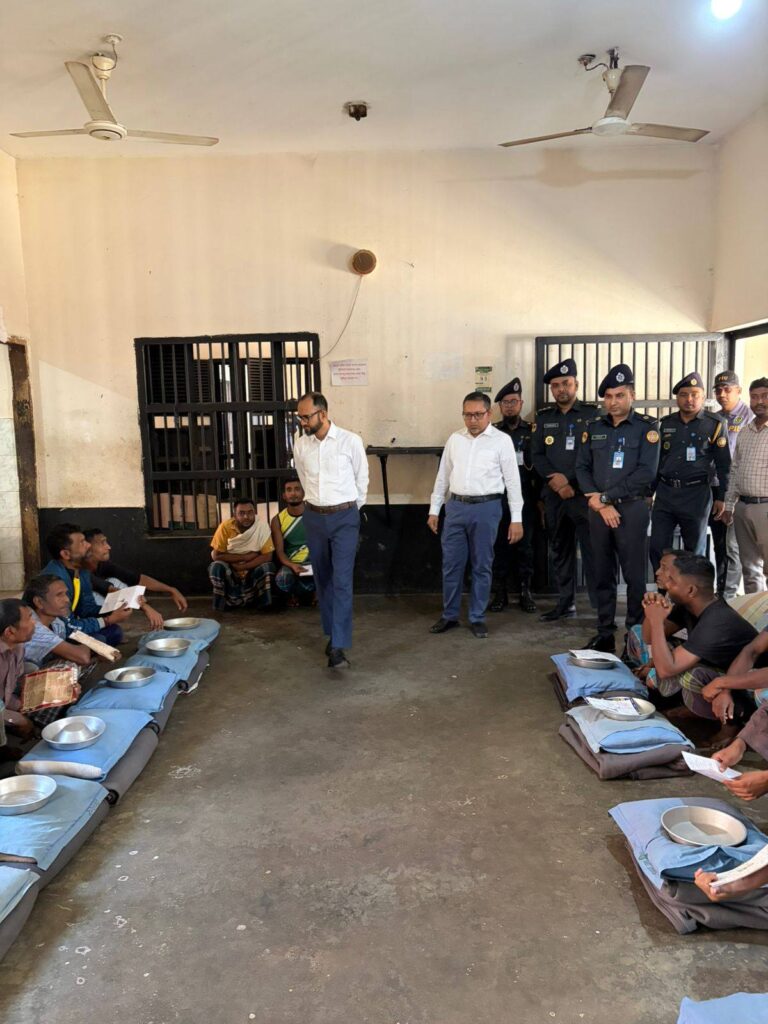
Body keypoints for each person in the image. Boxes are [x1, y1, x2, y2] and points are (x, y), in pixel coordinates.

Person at [576, 364, 660, 654]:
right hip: (599, 512)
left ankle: (633, 637)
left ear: (632, 395)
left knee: (635, 576)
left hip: (631, 510)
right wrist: (600, 503)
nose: (613, 402)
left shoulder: (647, 429)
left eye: (619, 395)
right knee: (602, 573)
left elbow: (646, 473)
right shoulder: (593, 428)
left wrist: (605, 498)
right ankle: (605, 633)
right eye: (608, 396)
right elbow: (581, 468)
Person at [630, 553, 759, 736]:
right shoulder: (689, 605)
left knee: (689, 675)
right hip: (716, 670)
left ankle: (732, 723)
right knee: (640, 633)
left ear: (691, 590)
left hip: (743, 688)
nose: (659, 574)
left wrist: (656, 621)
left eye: (668, 574)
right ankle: (691, 705)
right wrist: (653, 608)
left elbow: (666, 670)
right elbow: (648, 638)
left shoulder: (717, 621)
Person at [428, 391, 523, 639]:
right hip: (456, 507)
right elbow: (443, 477)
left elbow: (513, 482)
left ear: (489, 414)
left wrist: (516, 518)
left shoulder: (502, 441)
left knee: (482, 565)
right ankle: (449, 615)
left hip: (487, 508)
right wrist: (434, 509)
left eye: (478, 415)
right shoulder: (455, 439)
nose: (472, 420)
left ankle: (477, 617)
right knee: (451, 564)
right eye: (467, 415)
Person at [293, 392, 368, 669]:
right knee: (322, 578)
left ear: (322, 414)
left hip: (345, 517)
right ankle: (332, 632)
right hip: (314, 517)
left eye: (306, 417)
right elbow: (303, 478)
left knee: (342, 580)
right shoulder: (301, 445)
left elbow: (362, 478)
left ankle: (338, 645)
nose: (302, 422)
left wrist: (351, 510)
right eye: (300, 417)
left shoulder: (350, 441)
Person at [531, 357, 598, 622]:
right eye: (556, 385)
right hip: (555, 497)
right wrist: (555, 481)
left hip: (584, 496)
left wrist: (570, 482)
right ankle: (565, 603)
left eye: (566, 383)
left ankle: (600, 607)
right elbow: (537, 455)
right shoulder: (543, 418)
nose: (561, 389)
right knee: (560, 550)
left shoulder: (593, 415)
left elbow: (596, 456)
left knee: (594, 551)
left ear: (576, 384)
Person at [649, 371, 730, 571]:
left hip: (697, 495)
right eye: (684, 395)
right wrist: (648, 493)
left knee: (694, 552)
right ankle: (664, 588)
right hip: (666, 494)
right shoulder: (666, 423)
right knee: (658, 547)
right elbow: (656, 462)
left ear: (703, 397)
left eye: (695, 394)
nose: (689, 399)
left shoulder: (715, 424)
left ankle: (692, 591)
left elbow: (724, 464)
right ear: (677, 398)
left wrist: (722, 497)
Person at [488, 378, 538, 614]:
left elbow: (538, 466)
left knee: (525, 547)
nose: (509, 406)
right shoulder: (492, 433)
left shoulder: (531, 432)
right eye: (505, 402)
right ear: (500, 406)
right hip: (498, 498)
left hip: (525, 498)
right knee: (499, 546)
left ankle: (526, 592)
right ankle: (500, 593)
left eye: (514, 401)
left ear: (521, 403)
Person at [41, 523, 131, 644]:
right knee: (100, 639)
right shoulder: (55, 581)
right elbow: (67, 628)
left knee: (114, 631)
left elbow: (86, 609)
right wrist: (108, 620)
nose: (88, 545)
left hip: (69, 627)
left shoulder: (81, 571)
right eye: (82, 543)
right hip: (55, 635)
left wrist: (115, 608)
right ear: (66, 554)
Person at [82, 528, 188, 629]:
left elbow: (138, 579)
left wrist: (171, 589)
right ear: (87, 547)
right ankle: (95, 625)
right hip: (80, 616)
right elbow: (108, 589)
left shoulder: (102, 564)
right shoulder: (80, 569)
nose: (108, 547)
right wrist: (145, 607)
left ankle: (106, 624)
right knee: (111, 588)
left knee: (118, 584)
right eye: (102, 543)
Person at [709, 370, 754, 597]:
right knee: (720, 544)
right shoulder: (715, 419)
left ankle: (732, 597)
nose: (722, 394)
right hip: (715, 488)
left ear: (739, 391)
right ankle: (722, 592)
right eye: (718, 390)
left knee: (735, 547)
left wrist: (731, 497)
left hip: (738, 491)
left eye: (727, 390)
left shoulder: (750, 418)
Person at [721, 377, 768, 593]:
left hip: (765, 507)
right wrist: (729, 505)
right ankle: (756, 613)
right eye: (755, 397)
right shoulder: (745, 432)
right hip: (742, 507)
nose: (759, 401)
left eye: (765, 396)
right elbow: (735, 470)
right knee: (749, 568)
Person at [208, 497, 276, 611]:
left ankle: (263, 603)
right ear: (235, 515)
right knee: (216, 566)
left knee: (268, 567)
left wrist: (243, 566)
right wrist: (245, 557)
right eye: (241, 513)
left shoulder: (261, 526)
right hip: (231, 571)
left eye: (250, 512)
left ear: (255, 513)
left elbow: (267, 556)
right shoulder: (225, 527)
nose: (246, 517)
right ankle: (221, 604)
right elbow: (216, 556)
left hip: (252, 570)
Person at [22, 574, 94, 674]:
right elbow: (83, 657)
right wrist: (90, 644)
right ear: (39, 602)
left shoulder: (57, 623)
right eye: (59, 595)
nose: (67, 599)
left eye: (66, 594)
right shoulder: (33, 627)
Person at [270, 476, 315, 606]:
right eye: (289, 490)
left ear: (303, 493)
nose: (293, 493)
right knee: (282, 579)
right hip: (292, 565)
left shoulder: (315, 514)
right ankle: (293, 595)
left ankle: (316, 593)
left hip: (314, 562)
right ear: (284, 495)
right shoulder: (277, 520)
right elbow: (280, 552)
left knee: (331, 570)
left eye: (297, 489)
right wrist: (292, 565)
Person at [1, 599, 37, 742]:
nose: (34, 623)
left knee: (32, 669)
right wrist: (15, 719)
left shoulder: (17, 646)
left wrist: (21, 706)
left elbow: (7, 688)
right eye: (29, 619)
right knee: (22, 722)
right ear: (10, 632)